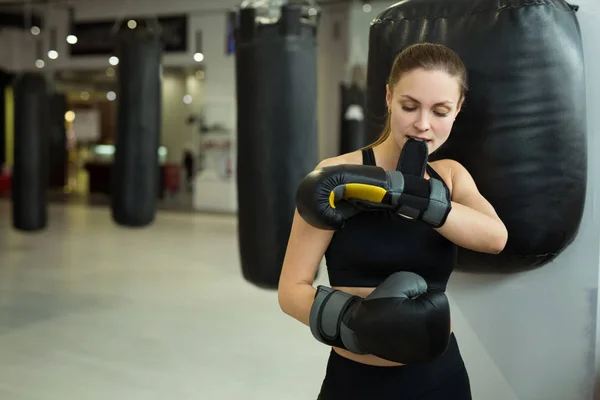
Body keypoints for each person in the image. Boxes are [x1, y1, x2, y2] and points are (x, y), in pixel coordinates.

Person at [278, 42, 508, 399]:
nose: (422, 125)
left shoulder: (450, 177)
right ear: (388, 97)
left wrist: (410, 196)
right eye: (409, 106)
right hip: (355, 382)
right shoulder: (336, 176)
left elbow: (496, 238)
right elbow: (291, 290)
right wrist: (356, 323)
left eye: (440, 111)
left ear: (458, 109)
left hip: (439, 379)